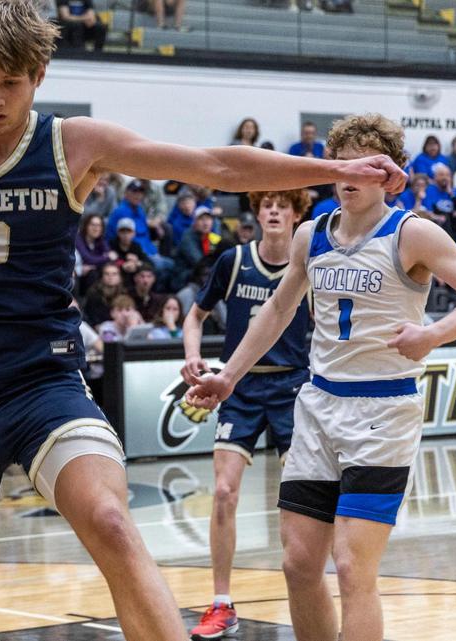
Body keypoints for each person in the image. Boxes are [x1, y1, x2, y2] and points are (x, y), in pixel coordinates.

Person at [0, 5, 406, 639]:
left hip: (46, 385)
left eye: (10, 83)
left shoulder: (73, 143)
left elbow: (212, 166)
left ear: (38, 76)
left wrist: (335, 169)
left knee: (113, 522)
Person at [186, 113, 456, 641]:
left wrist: (432, 334)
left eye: (366, 164)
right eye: (344, 162)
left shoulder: (411, 233)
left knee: (354, 569)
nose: (351, 174)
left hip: (383, 412)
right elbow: (279, 308)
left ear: (389, 173)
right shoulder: (311, 234)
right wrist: (229, 375)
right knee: (298, 564)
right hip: (318, 406)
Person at [180, 188, 312, 640]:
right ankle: (221, 603)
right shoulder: (234, 261)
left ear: (296, 214)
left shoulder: (308, 266)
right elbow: (194, 317)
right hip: (238, 385)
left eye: (282, 205)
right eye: (266, 204)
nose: (273, 210)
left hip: (292, 385)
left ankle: (308, 598)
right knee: (222, 491)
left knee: (301, 499)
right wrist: (193, 355)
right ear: (256, 213)